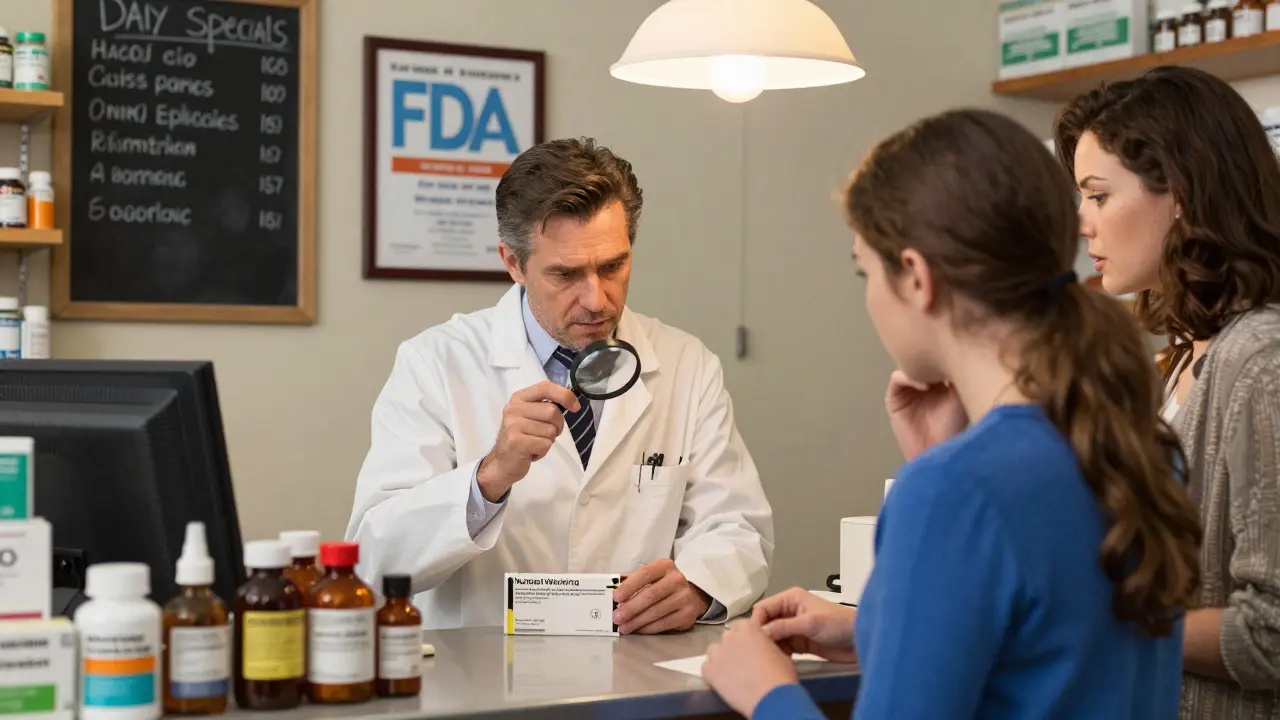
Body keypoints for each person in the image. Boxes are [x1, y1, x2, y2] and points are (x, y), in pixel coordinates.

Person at [700, 109, 1202, 718]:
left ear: (915, 277)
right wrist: (875, 629)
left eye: (866, 271)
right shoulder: (1132, 445)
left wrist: (767, 692)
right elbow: (1050, 653)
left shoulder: (954, 490)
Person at [345, 137, 774, 632]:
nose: (596, 299)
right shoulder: (435, 364)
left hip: (637, 673)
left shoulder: (688, 364)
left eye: (613, 266)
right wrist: (489, 477)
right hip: (483, 679)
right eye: (565, 274)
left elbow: (738, 527)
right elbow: (373, 559)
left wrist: (700, 585)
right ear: (513, 263)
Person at [1054, 66, 1280, 718]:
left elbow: (1270, 633)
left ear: (1179, 192)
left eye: (1098, 196)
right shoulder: (1178, 361)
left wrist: (1094, 624)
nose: (1082, 224)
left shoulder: (1260, 363)